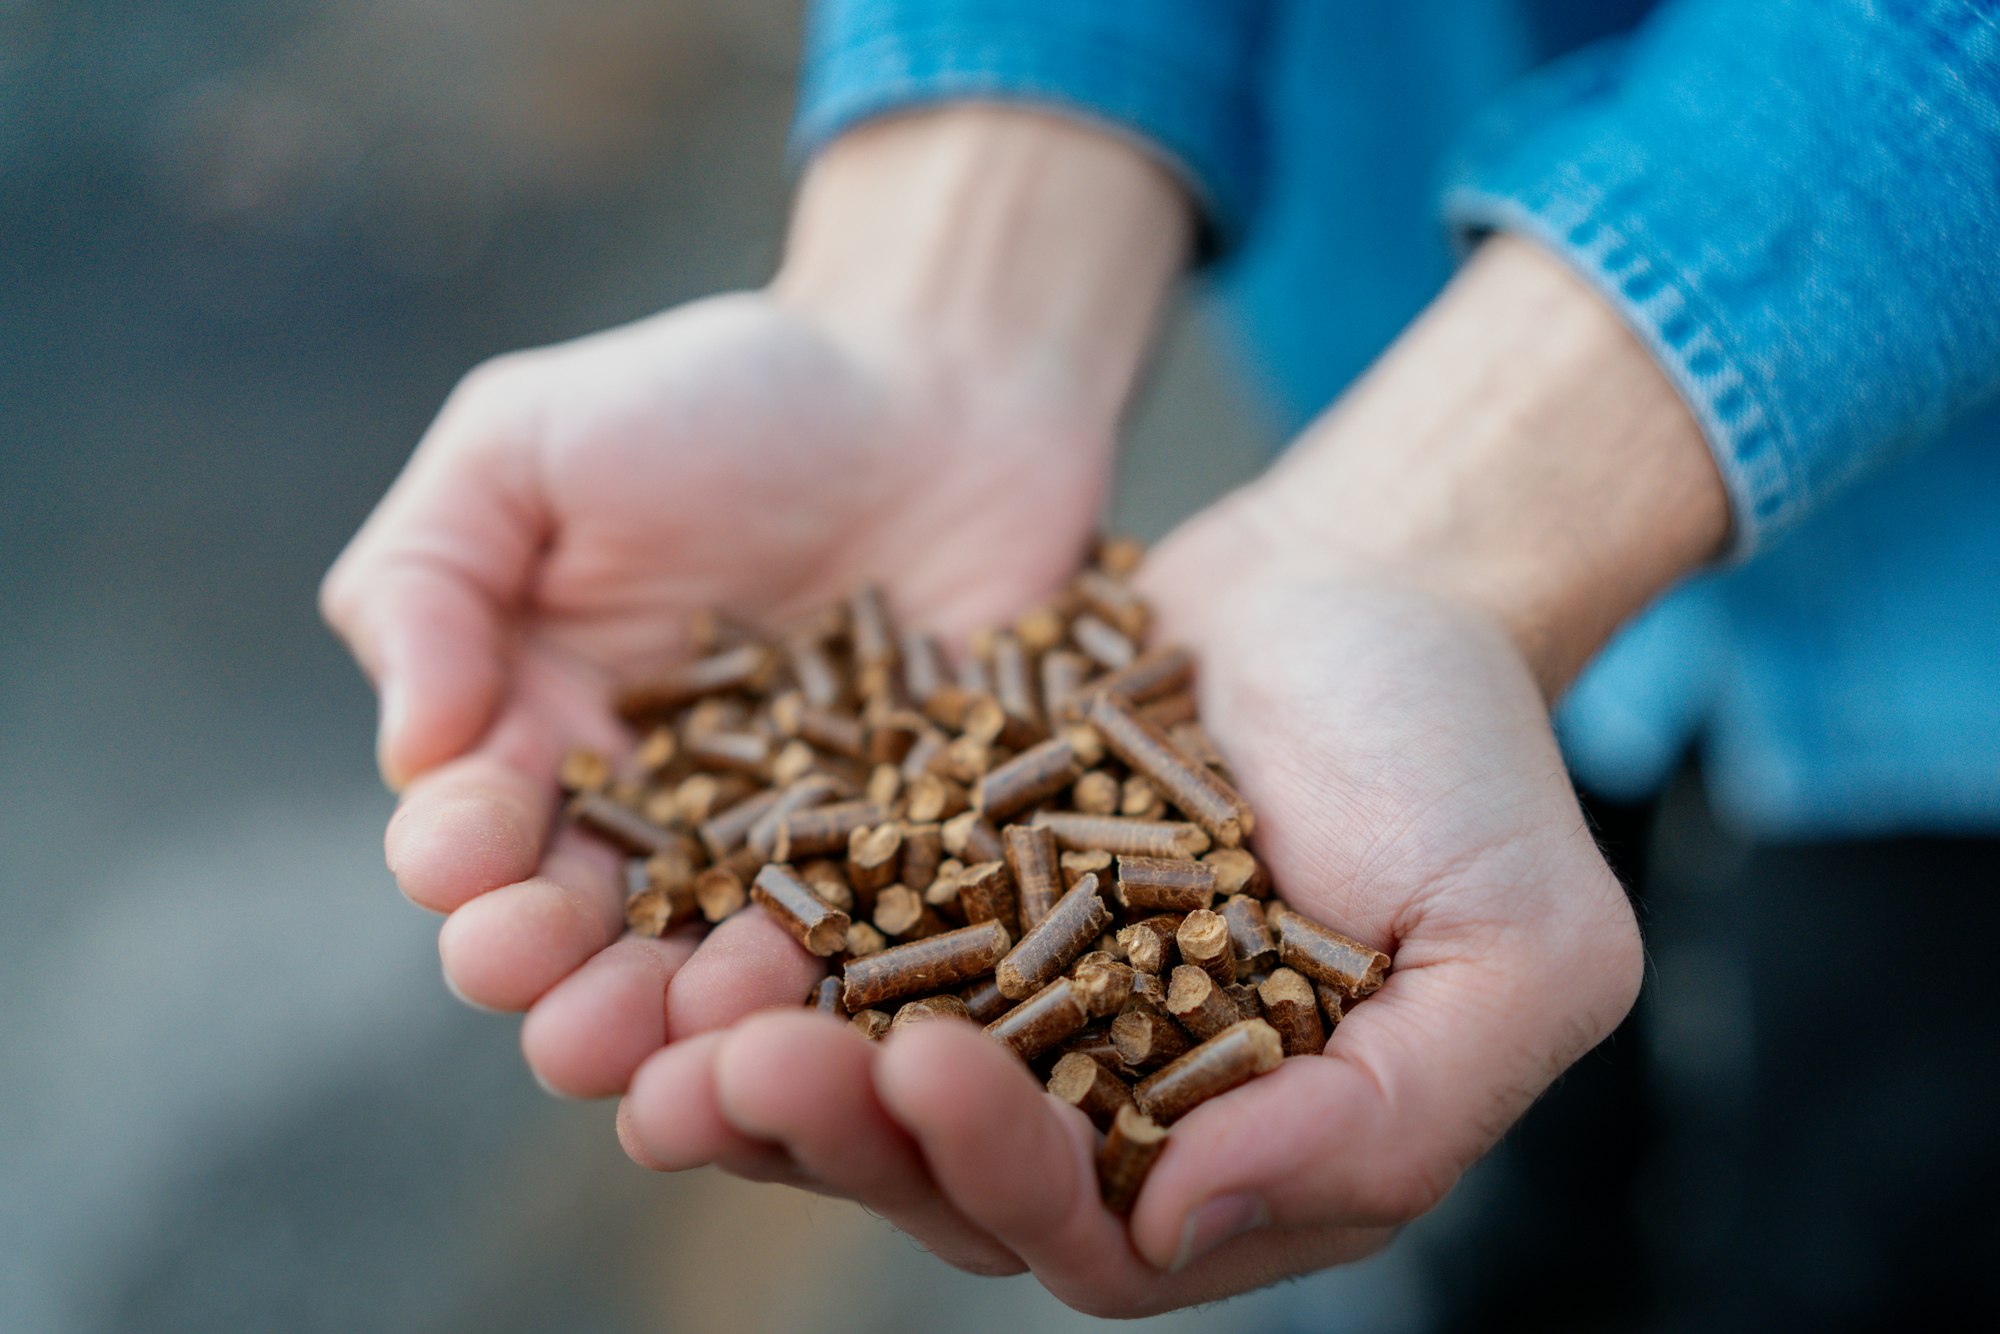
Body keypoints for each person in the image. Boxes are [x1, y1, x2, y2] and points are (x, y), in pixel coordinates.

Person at [320, 0, 2000, 1322]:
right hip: (1399, 370)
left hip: (1959, 670)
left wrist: (1509, 475)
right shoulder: (1045, 801)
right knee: (1505, 1165)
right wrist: (957, 241)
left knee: (1883, 1168)